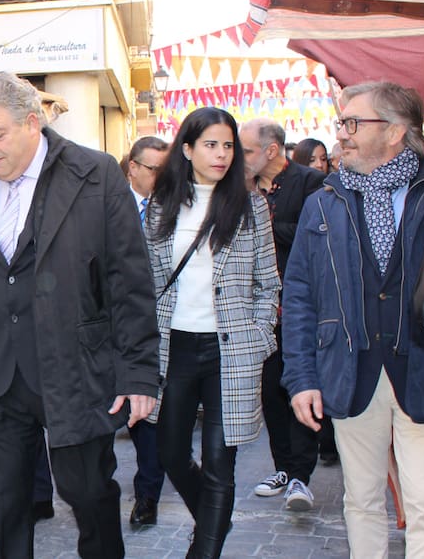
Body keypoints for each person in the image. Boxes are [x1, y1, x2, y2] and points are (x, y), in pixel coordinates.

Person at [0, 72, 159, 559]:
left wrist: (138, 373)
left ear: (32, 123)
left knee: (88, 493)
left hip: (75, 368)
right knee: (7, 506)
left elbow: (129, 281)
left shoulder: (94, 173)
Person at [283, 81, 424, 558]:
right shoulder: (323, 202)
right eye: (342, 123)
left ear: (395, 131)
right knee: (361, 501)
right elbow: (300, 295)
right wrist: (301, 377)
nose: (342, 134)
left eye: (353, 123)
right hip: (349, 370)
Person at [145, 107, 280, 559]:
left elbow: (268, 283)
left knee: (221, 465)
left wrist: (258, 338)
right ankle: (213, 521)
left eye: (228, 146)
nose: (221, 154)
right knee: (170, 453)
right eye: (210, 145)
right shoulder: (162, 205)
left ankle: (204, 549)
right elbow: (148, 280)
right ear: (187, 149)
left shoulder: (250, 206)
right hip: (175, 346)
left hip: (232, 349)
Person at [238, 118, 325, 511]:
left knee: (299, 388)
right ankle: (284, 468)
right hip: (260, 310)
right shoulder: (242, 187)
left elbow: (314, 233)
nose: (238, 157)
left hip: (300, 307)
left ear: (271, 150)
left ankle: (302, 476)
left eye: (246, 150)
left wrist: (264, 224)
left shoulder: (309, 182)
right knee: (271, 393)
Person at [124, 135, 170, 527]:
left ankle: (147, 496)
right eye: (154, 169)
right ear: (133, 168)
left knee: (150, 417)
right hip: (110, 332)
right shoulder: (107, 206)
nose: (161, 177)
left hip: (156, 332)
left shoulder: (174, 211)